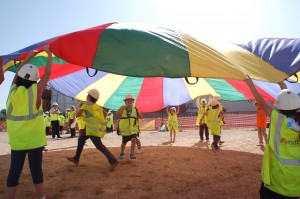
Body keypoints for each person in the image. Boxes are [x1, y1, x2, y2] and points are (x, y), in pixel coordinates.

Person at [5, 45, 52, 199]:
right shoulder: (35, 91)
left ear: (19, 76)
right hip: (34, 140)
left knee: (14, 170)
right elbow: (47, 74)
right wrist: (50, 54)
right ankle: (41, 197)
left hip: (17, 141)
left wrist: (30, 56)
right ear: (34, 80)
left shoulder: (12, 91)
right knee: (36, 170)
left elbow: (17, 76)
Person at [244, 75, 300, 198]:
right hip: (296, 188)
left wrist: (250, 84)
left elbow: (262, 104)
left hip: (276, 184)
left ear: (279, 107)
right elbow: (287, 103)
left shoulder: (278, 119)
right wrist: (282, 85)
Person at [67, 89, 118, 171]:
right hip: (94, 128)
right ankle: (76, 159)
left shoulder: (86, 104)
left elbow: (78, 115)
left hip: (91, 129)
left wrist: (79, 105)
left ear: (89, 97)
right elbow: (105, 114)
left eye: (87, 95)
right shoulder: (97, 106)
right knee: (81, 139)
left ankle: (113, 161)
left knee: (99, 145)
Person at [116, 94, 143, 160]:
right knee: (124, 142)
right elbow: (118, 114)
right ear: (125, 101)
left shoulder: (135, 109)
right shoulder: (122, 108)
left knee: (133, 140)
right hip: (125, 129)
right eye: (127, 100)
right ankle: (122, 153)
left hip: (133, 129)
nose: (129, 101)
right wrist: (121, 108)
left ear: (132, 101)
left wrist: (138, 114)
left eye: (130, 100)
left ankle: (132, 153)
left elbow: (141, 117)